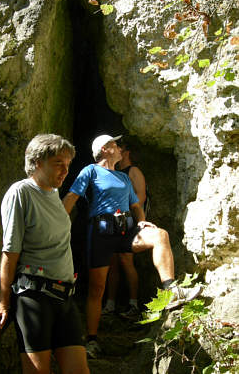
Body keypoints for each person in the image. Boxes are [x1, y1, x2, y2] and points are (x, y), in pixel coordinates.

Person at [62, 134, 202, 359]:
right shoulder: (90, 171)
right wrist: (57, 222)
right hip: (100, 234)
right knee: (97, 289)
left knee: (160, 235)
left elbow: (135, 204)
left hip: (125, 232)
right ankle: (92, 340)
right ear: (106, 149)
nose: (119, 148)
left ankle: (171, 289)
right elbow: (72, 197)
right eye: (115, 145)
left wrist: (141, 220)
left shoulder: (123, 177)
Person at [0, 134, 90, 374]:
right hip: (35, 297)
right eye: (59, 163)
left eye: (68, 164)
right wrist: (4, 300)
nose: (65, 170)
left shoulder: (54, 197)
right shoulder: (21, 193)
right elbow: (10, 250)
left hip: (64, 297)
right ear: (38, 161)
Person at [102, 136, 147, 319]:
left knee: (126, 261)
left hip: (129, 221)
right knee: (112, 262)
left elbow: (141, 197)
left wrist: (123, 212)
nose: (117, 150)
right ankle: (111, 304)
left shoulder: (133, 171)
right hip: (116, 222)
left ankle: (134, 305)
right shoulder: (117, 172)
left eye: (120, 147)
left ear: (127, 152)